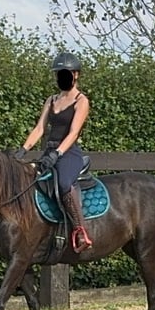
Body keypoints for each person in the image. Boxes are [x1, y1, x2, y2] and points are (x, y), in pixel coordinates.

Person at [14, 52, 93, 252]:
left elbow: (74, 133)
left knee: (64, 184)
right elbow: (40, 129)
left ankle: (80, 231)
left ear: (75, 75)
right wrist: (23, 151)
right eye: (59, 73)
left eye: (65, 73)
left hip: (68, 153)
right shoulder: (51, 100)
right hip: (49, 152)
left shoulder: (81, 101)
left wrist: (57, 153)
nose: (62, 77)